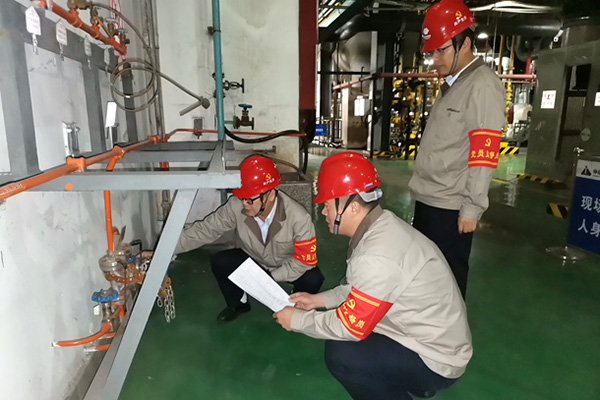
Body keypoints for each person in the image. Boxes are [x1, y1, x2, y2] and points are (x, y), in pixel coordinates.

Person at [274, 152, 472, 400]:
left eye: (327, 205)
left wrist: (299, 321)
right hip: (427, 336)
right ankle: (410, 381)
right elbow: (361, 287)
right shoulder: (381, 226)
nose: (323, 212)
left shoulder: (377, 255)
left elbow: (350, 327)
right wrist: (318, 300)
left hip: (437, 359)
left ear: (352, 207)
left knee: (342, 353)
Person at [409, 0, 506, 298]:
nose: (435, 59)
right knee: (427, 279)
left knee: (447, 283)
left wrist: (472, 208)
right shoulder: (453, 83)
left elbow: (483, 155)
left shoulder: (482, 86)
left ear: (464, 44)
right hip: (430, 199)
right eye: (432, 51)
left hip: (450, 209)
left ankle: (451, 328)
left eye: (441, 50)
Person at [163, 155, 324, 322]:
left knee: (313, 279)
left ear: (269, 195)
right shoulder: (236, 205)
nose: (244, 204)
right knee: (222, 261)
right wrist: (163, 250)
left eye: (250, 199)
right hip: (254, 262)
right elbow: (205, 230)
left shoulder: (299, 217)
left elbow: (304, 261)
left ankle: (292, 306)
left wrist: (271, 277)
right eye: (242, 197)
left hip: (286, 266)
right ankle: (239, 303)